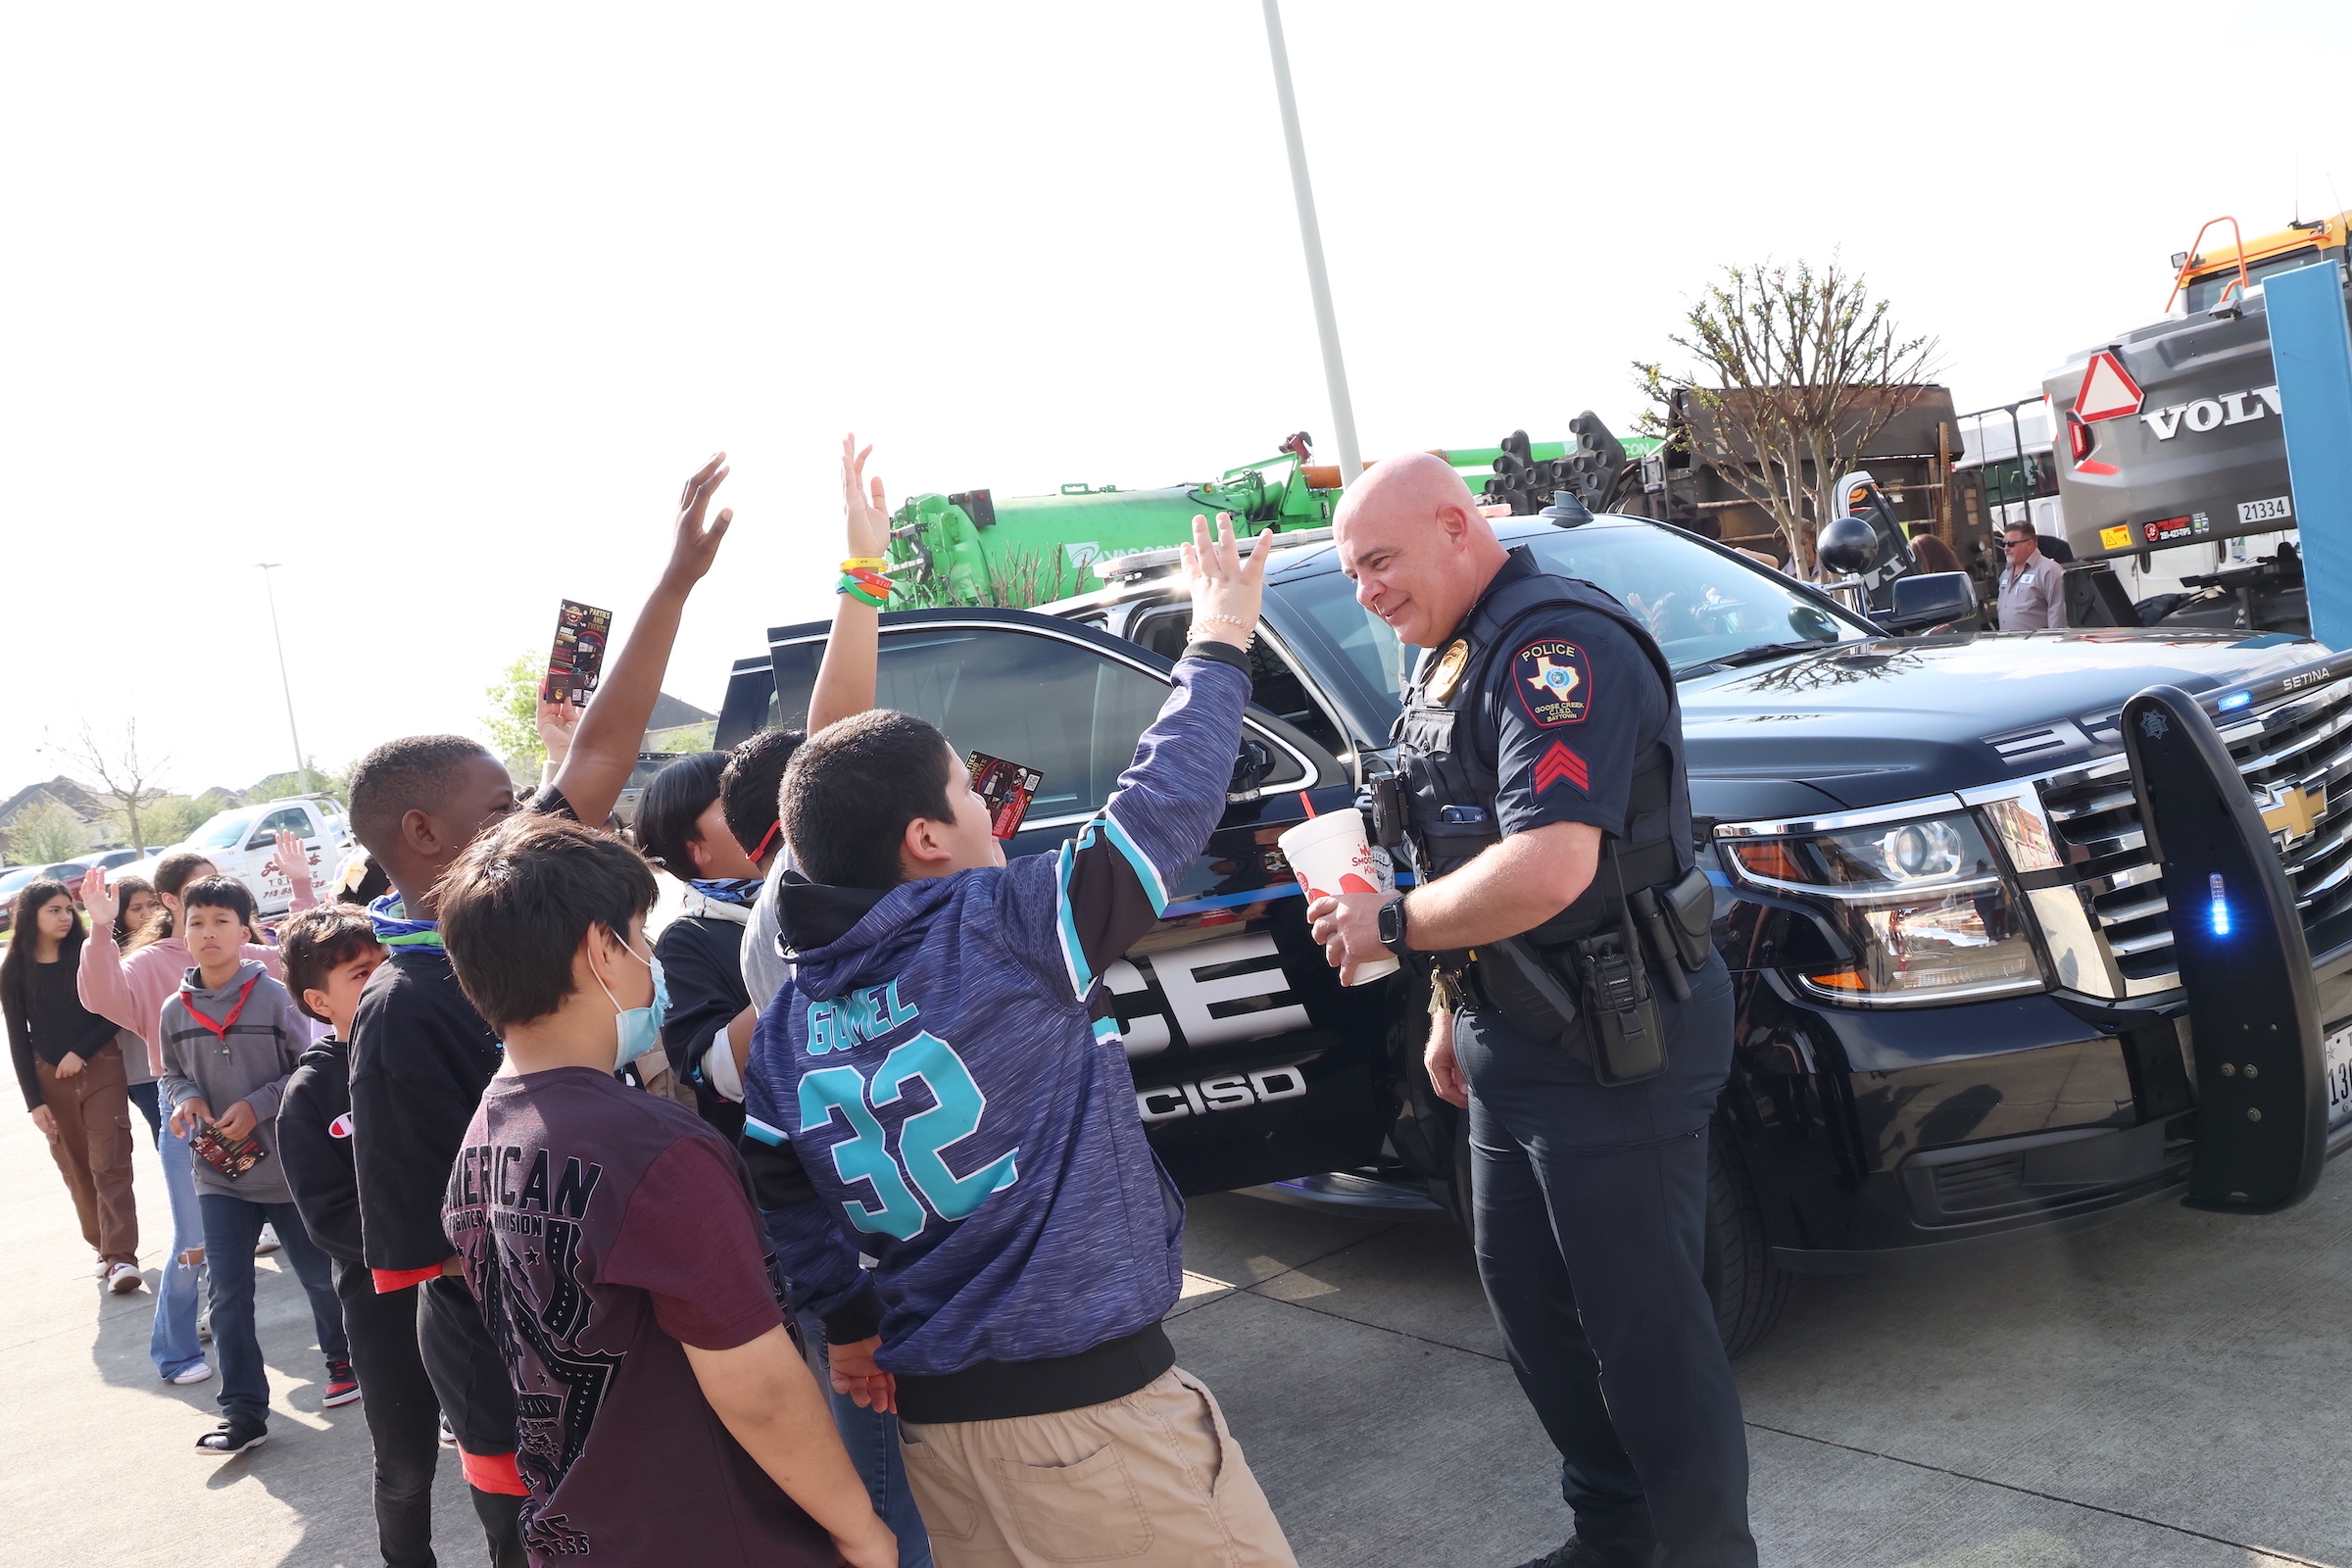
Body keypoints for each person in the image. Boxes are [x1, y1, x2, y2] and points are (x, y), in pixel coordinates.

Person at [743, 513, 1298, 1568]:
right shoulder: (998, 928)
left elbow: (777, 1184)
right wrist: (1218, 639)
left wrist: (849, 1320)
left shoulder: (783, 1030)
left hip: (941, 1439)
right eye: (969, 792)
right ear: (926, 838)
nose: (994, 813)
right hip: (1091, 1431)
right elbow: (1163, 809)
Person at [1303, 454, 1754, 1568]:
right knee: (1536, 1313)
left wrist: (1397, 930)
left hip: (1613, 1036)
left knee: (1647, 1335)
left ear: (1457, 526)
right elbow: (1458, 837)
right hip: (1514, 1032)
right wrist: (1447, 1005)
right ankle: (1617, 1535)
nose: (1366, 590)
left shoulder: (1557, 647)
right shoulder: (1450, 656)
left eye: (1379, 562)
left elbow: (1550, 867)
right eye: (1353, 570)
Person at [347, 452, 736, 1564]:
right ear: (423, 834)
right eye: (499, 802)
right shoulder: (404, 1011)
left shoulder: (515, 900)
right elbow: (438, 1253)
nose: (529, 808)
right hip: (525, 1394)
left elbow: (605, 747)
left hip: (628, 1340)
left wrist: (676, 581)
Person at [435, 811, 897, 1568]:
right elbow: (758, 1386)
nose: (650, 960)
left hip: (583, 1530)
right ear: (601, 950)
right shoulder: (654, 1149)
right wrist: (860, 1527)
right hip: (720, 1534)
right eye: (640, 938)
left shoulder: (481, 1143)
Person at [79, 841, 316, 1386]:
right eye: (195, 901)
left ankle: (341, 1358)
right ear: (170, 903)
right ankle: (177, 1352)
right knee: (192, 1240)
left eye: (222, 901)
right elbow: (98, 995)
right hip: (189, 1113)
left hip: (262, 1111)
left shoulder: (248, 961)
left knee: (306, 1244)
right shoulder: (147, 967)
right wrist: (98, 928)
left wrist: (300, 887)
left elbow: (301, 958)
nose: (210, 918)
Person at [276, 905, 449, 1568]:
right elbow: (325, 1217)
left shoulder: (429, 1043)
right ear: (319, 1001)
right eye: (359, 974)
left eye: (383, 964)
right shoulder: (311, 1093)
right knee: (406, 1466)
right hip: (385, 1308)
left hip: (468, 1290)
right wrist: (430, 1247)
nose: (380, 981)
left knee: (508, 1446)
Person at [156, 876, 350, 1455]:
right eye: (196, 922)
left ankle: (344, 1362)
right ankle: (242, 1410)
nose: (208, 933)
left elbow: (310, 1067)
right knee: (229, 1294)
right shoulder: (174, 1010)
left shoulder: (273, 997)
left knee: (320, 1276)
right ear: (182, 931)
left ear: (246, 930)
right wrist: (185, 1097)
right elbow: (168, 1072)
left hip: (287, 1172)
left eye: (221, 921)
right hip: (220, 1177)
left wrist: (257, 1105)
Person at [4, 878, 141, 1293]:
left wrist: (80, 1052)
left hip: (101, 1069)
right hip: (49, 1081)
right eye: (55, 910)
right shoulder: (13, 969)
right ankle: (102, 1247)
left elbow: (117, 1010)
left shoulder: (89, 954)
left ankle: (121, 1258)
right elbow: (16, 1036)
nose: (66, 917)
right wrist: (34, 1102)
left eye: (69, 909)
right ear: (32, 917)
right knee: (78, 1171)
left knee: (110, 1163)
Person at [1996, 521, 2067, 630]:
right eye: (2004, 544)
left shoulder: (2049, 570)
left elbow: (2057, 612)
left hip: (2038, 645)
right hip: (2009, 643)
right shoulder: (2005, 574)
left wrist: (2056, 641)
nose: (2006, 548)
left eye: (2011, 544)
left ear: (2029, 544)